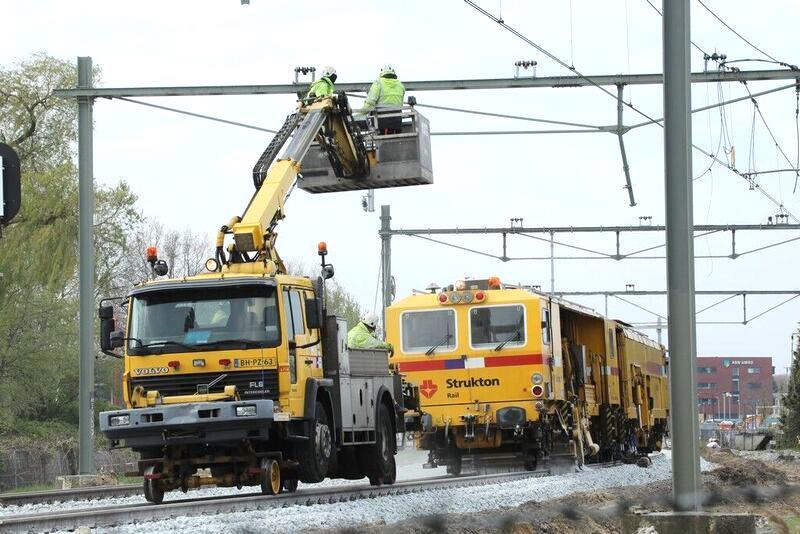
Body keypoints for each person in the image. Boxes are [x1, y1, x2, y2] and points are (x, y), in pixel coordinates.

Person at [362, 65, 406, 133]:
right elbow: (400, 104)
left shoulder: (378, 83)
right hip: (397, 123)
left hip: (381, 123)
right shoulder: (401, 85)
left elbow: (369, 104)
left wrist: (359, 114)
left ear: (382, 73)